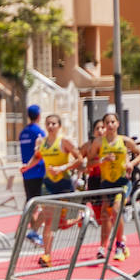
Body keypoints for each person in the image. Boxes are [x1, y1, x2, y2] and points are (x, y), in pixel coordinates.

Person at [18, 114, 83, 267]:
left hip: (64, 183)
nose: (51, 126)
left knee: (63, 223)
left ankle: (80, 217)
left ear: (59, 126)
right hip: (48, 184)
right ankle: (47, 255)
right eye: (48, 123)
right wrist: (27, 166)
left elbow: (79, 158)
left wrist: (62, 168)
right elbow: (37, 157)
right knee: (49, 221)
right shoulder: (42, 142)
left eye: (54, 123)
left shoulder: (64, 141)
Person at [91, 111, 140, 262]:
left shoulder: (124, 141)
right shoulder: (99, 143)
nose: (110, 125)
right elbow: (89, 163)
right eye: (107, 123)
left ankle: (119, 245)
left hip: (122, 181)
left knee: (116, 210)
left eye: (112, 122)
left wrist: (131, 163)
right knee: (105, 215)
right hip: (107, 182)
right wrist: (102, 160)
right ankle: (103, 246)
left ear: (118, 124)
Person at [19, 105, 48, 245]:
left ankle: (32, 231)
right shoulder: (39, 132)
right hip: (38, 171)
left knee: (31, 202)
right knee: (41, 203)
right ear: (39, 116)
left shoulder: (23, 132)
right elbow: (42, 152)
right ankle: (34, 232)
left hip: (27, 173)